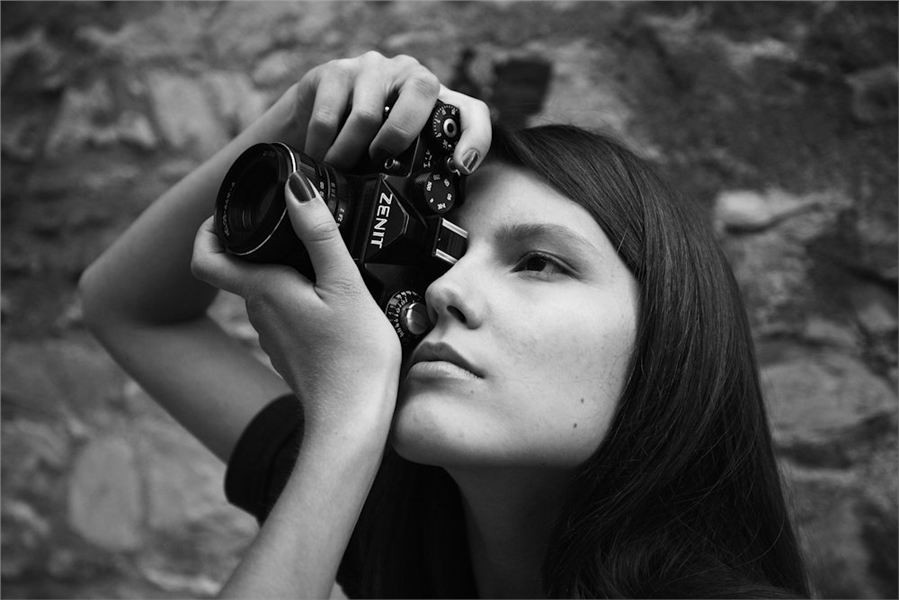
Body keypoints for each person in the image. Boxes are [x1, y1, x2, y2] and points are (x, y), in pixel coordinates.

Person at [80, 51, 811, 598]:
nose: (446, 289)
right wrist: (300, 123)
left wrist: (345, 425)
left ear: (668, 341)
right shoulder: (389, 515)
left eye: (538, 263)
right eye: (444, 256)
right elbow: (126, 310)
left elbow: (135, 318)